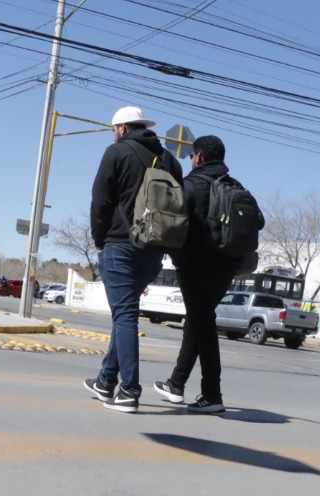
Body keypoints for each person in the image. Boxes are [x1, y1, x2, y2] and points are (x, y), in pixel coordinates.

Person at [84, 106, 182, 413]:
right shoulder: (170, 161)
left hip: (119, 244)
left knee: (124, 315)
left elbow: (100, 200)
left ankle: (129, 391)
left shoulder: (117, 152)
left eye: (114, 129)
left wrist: (99, 240)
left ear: (123, 127)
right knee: (124, 314)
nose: (114, 134)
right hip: (154, 248)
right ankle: (105, 381)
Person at [153, 135, 248, 414]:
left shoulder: (192, 184)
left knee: (202, 324)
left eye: (193, 155)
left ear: (200, 158)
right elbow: (259, 220)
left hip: (195, 266)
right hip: (227, 266)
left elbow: (175, 220)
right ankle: (177, 383)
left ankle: (211, 395)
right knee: (199, 322)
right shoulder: (236, 185)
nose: (192, 160)